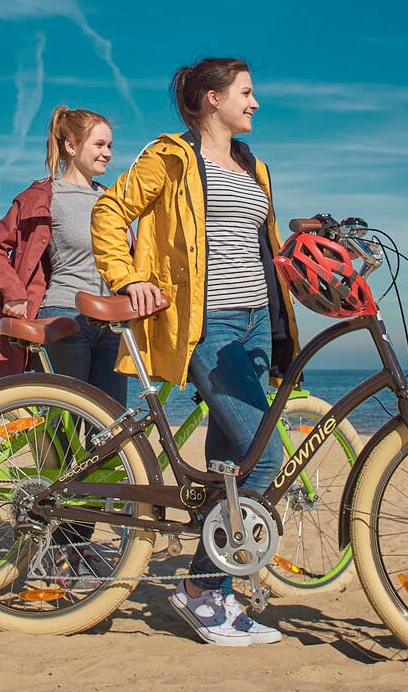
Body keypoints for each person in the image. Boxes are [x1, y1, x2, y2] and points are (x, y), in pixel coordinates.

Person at [89, 57, 299, 646]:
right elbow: (110, 210)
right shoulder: (172, 158)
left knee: (232, 463)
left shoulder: (254, 164)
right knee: (263, 455)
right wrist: (127, 276)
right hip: (204, 324)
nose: (255, 103)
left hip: (258, 322)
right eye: (246, 92)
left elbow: (261, 244)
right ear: (212, 99)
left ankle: (222, 600)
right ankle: (203, 590)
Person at [0, 106, 127, 406]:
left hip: (111, 324)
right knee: (61, 424)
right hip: (65, 317)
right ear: (71, 146)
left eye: (110, 146)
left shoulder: (113, 199)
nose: (108, 153)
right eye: (99, 145)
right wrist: (13, 292)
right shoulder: (44, 197)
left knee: (113, 427)